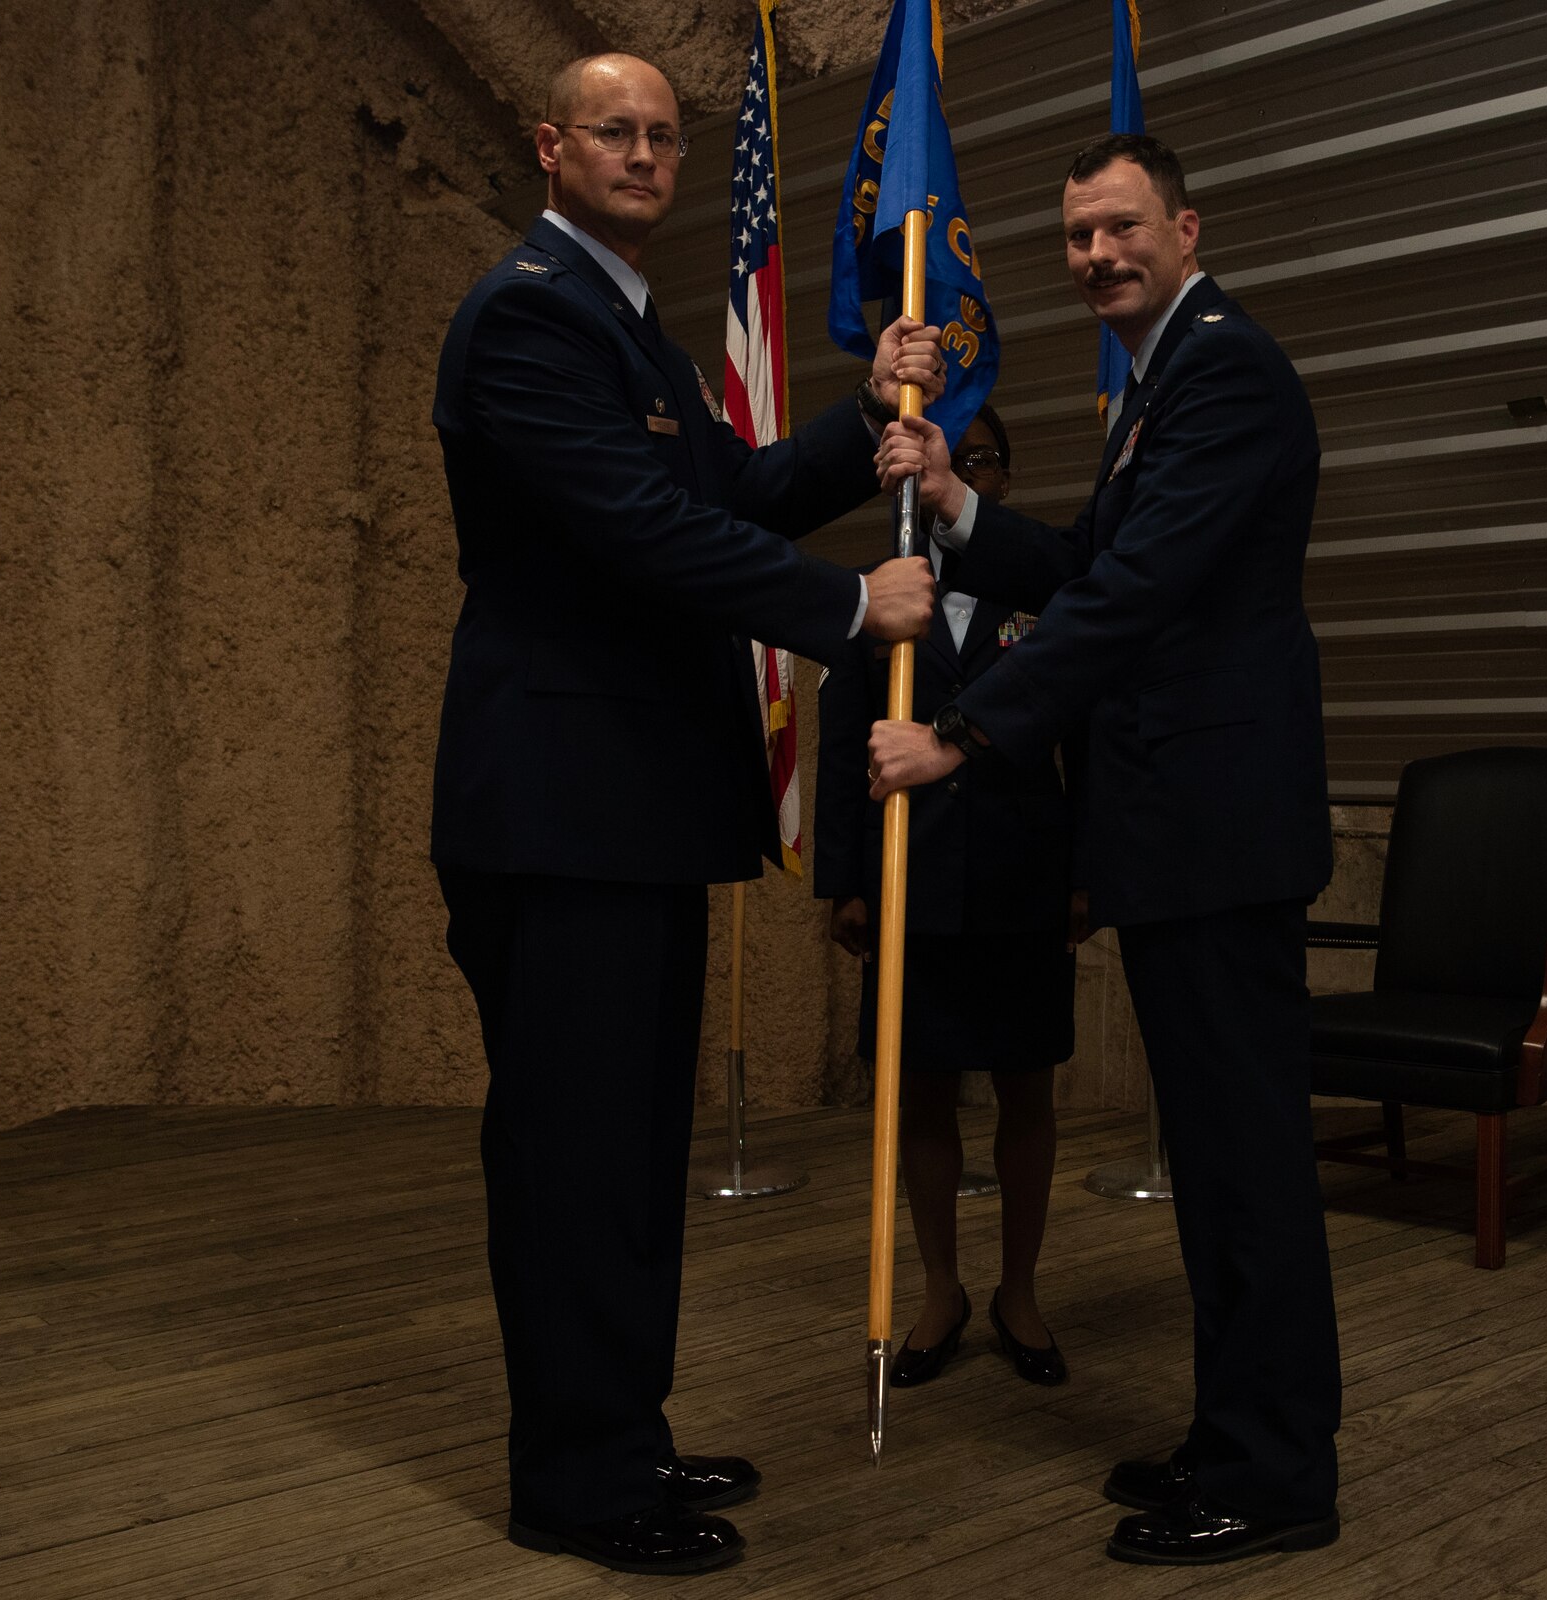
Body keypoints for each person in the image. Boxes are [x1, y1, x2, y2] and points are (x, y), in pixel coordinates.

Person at [430, 52, 942, 1578]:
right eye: (617, 131)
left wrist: (869, 416)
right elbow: (646, 532)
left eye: (664, 134)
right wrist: (854, 605)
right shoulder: (527, 312)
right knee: (575, 1158)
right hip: (560, 814)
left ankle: (623, 1438)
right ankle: (576, 1485)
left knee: (629, 1152)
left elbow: (734, 490)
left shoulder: (622, 319)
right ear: (552, 146)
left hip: (629, 815)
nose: (647, 153)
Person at [869, 132, 1342, 1568]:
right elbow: (1086, 568)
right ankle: (1238, 1434)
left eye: (1122, 228)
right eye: (1077, 237)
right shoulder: (1165, 379)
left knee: (1245, 1159)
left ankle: (1274, 1477)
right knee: (1215, 1156)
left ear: (1188, 228)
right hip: (1183, 835)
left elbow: (1133, 597)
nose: (1097, 257)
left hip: (1218, 832)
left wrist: (964, 737)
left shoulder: (1225, 369)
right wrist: (956, 506)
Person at [813, 405, 1081, 1390]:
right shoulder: (882, 586)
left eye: (973, 461)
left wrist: (1086, 870)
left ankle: (1018, 1288)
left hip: (1022, 872)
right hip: (907, 875)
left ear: (999, 477)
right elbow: (844, 732)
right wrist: (840, 880)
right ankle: (939, 1288)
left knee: (1025, 1085)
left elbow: (1081, 733)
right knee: (918, 1087)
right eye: (935, 457)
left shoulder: (1047, 589)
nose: (953, 473)